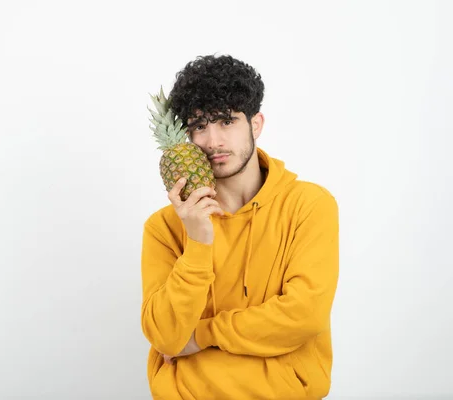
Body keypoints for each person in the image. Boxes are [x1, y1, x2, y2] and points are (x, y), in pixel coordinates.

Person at [140, 54, 339, 400]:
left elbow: (303, 316)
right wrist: (198, 242)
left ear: (255, 124)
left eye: (226, 121)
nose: (213, 141)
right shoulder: (163, 228)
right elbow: (165, 337)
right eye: (199, 126)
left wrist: (202, 336)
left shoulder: (309, 205)